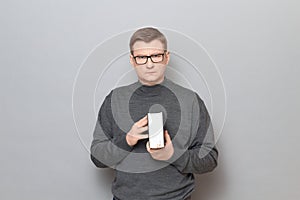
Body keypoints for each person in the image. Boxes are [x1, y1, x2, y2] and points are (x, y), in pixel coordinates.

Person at [90, 27, 218, 200]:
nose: (149, 64)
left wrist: (172, 155)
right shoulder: (115, 100)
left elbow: (209, 159)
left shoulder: (190, 101)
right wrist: (126, 140)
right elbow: (97, 158)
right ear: (132, 60)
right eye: (142, 57)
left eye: (156, 56)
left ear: (166, 57)